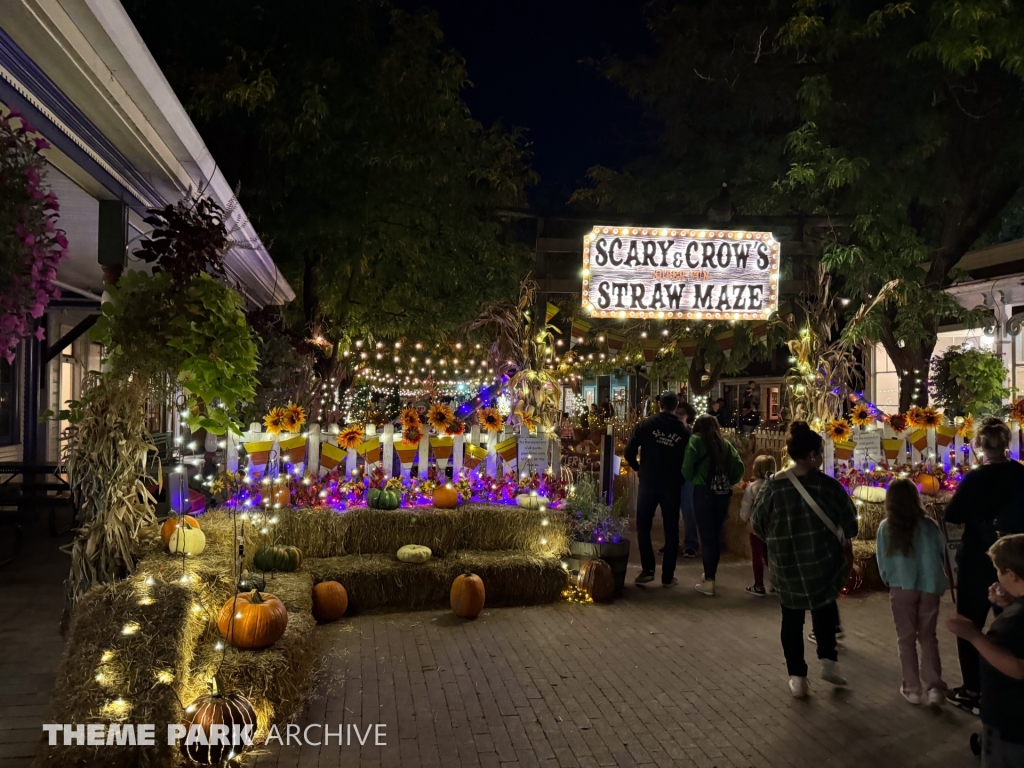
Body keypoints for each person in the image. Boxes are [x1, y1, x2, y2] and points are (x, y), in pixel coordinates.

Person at [750, 421, 858, 698]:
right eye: (820, 453)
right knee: (823, 611)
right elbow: (851, 526)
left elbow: (757, 524)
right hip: (823, 563)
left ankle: (797, 677)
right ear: (812, 455)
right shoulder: (829, 487)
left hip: (786, 565)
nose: (821, 458)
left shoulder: (773, 488)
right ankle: (829, 663)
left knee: (791, 620)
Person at [943, 417, 1024, 713]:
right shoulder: (1020, 473)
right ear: (1006, 444)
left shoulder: (976, 479)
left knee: (970, 623)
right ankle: (1013, 679)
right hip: (1015, 559)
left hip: (979, 559)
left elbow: (952, 514)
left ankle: (973, 689)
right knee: (1014, 623)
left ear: (979, 445)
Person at [947, 534, 1024, 767]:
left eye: (999, 571)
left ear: (1011, 574)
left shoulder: (1018, 619)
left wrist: (974, 636)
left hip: (1011, 725)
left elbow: (1018, 667)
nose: (997, 576)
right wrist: (1009, 603)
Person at [875, 478, 948, 706]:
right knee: (928, 637)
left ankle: (912, 688)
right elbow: (941, 553)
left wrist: (889, 579)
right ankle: (934, 687)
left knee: (905, 639)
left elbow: (882, 561)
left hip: (901, 587)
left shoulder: (886, 527)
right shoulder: (929, 525)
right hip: (930, 586)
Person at [624, 391, 691, 587]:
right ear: (676, 406)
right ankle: (668, 576)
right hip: (672, 485)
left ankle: (648, 569)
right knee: (671, 530)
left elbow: (629, 452)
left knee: (643, 526)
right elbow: (690, 459)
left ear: (659, 405)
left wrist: (638, 468)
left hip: (649, 482)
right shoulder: (684, 431)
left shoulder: (646, 424)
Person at [682, 415, 745, 596]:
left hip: (703, 492)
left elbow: (686, 467)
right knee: (715, 536)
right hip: (723, 494)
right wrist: (728, 481)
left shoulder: (695, 441)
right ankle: (710, 573)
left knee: (706, 536)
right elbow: (739, 467)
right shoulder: (725, 445)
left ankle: (709, 582)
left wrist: (695, 478)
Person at [740, 455, 776, 596]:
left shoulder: (752, 487)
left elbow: (745, 508)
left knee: (757, 555)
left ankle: (759, 585)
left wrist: (746, 519)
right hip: (773, 526)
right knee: (771, 555)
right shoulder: (775, 486)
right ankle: (775, 584)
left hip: (756, 527)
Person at [675, 399, 700, 559]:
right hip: (672, 476)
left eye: (682, 414)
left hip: (687, 478)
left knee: (688, 511)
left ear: (688, 416)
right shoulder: (670, 432)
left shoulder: (691, 435)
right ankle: (672, 542)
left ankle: (691, 544)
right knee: (670, 512)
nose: (678, 416)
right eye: (676, 413)